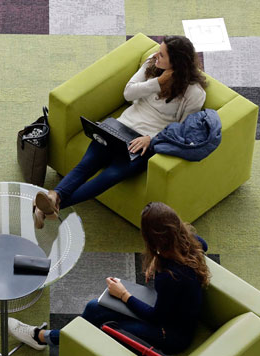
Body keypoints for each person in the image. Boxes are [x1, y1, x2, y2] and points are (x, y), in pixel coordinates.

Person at [33, 36, 207, 229]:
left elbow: (181, 131)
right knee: (87, 164)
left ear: (177, 62)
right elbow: (128, 93)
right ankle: (52, 199)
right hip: (120, 126)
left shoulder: (194, 93)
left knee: (109, 176)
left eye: (162, 54)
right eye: (159, 50)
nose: (156, 55)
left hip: (143, 143)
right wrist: (157, 82)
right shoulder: (152, 63)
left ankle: (50, 204)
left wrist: (151, 139)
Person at [9, 202, 211, 354]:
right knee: (93, 307)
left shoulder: (170, 278)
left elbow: (157, 317)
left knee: (104, 327)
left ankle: (42, 337)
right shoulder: (190, 240)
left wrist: (124, 295)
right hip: (167, 310)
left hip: (170, 334)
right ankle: (48, 338)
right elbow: (204, 246)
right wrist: (157, 260)